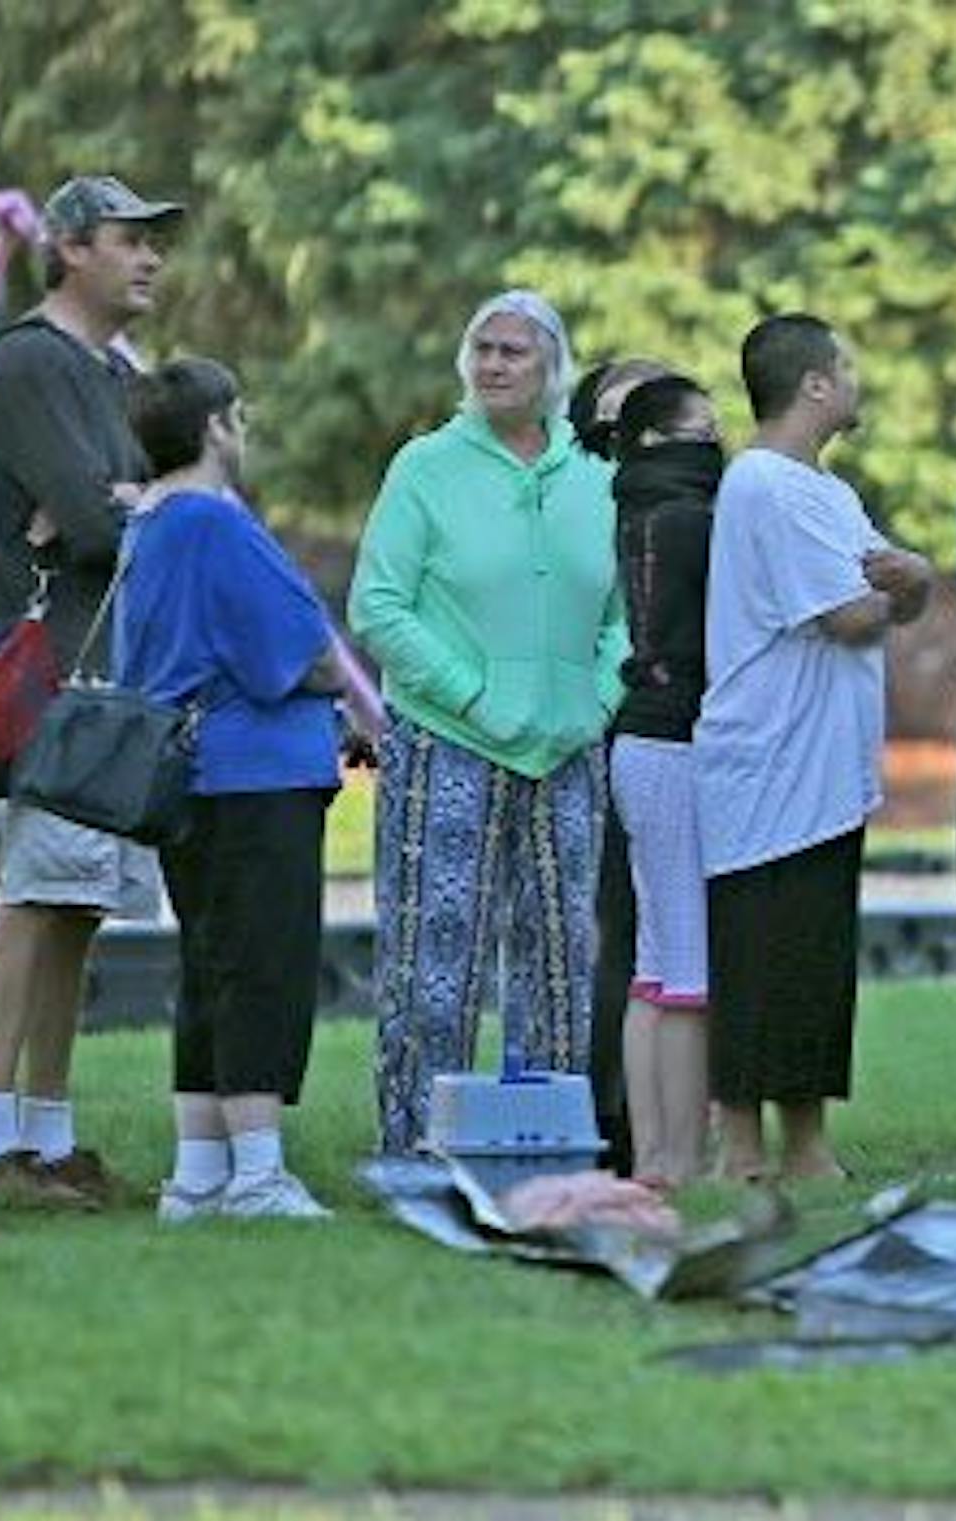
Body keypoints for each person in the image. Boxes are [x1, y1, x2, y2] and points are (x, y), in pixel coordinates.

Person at [351, 290, 628, 1155]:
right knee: (436, 961)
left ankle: (540, 1145)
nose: (497, 364)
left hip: (570, 752)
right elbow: (379, 605)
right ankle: (414, 1149)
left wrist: (601, 696)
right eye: (485, 349)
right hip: (449, 743)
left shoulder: (595, 477)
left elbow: (626, 610)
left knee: (561, 961)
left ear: (554, 368)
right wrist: (471, 695)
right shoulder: (426, 466)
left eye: (516, 351)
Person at [0, 174, 182, 1205]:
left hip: (103, 681)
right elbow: (99, 526)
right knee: (35, 903)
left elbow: (147, 503)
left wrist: (131, 501)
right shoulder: (33, 364)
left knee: (78, 911)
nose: (150, 259)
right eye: (131, 240)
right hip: (48, 678)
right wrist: (121, 505)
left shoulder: (107, 368)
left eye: (155, 244)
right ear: (72, 249)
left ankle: (50, 1140)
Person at [695, 314, 932, 1181]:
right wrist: (915, 585)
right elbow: (850, 614)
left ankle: (806, 1146)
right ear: (816, 385)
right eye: (848, 367)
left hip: (824, 767)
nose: (857, 383)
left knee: (813, 962)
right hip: (767, 764)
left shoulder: (827, 491)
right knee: (762, 952)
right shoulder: (763, 483)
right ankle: (744, 1150)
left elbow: (882, 602)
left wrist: (908, 588)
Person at [115, 358, 346, 1219]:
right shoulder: (217, 523)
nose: (242, 430)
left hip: (191, 778)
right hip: (256, 773)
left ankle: (199, 1173)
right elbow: (301, 652)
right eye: (238, 416)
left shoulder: (149, 523)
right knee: (263, 966)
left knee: (210, 966)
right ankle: (257, 1174)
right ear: (217, 425)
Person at [609, 375, 725, 1185]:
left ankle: (652, 1153)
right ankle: (681, 1157)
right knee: (688, 964)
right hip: (677, 744)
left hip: (636, 744)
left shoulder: (633, 510)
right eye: (701, 431)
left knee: (653, 962)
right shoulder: (695, 522)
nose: (716, 446)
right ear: (655, 441)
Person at [571, 354, 679, 1176]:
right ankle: (605, 1115)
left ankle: (677, 1120)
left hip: (675, 734)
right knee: (618, 934)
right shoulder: (580, 504)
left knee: (665, 938)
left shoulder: (688, 508)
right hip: (594, 731)